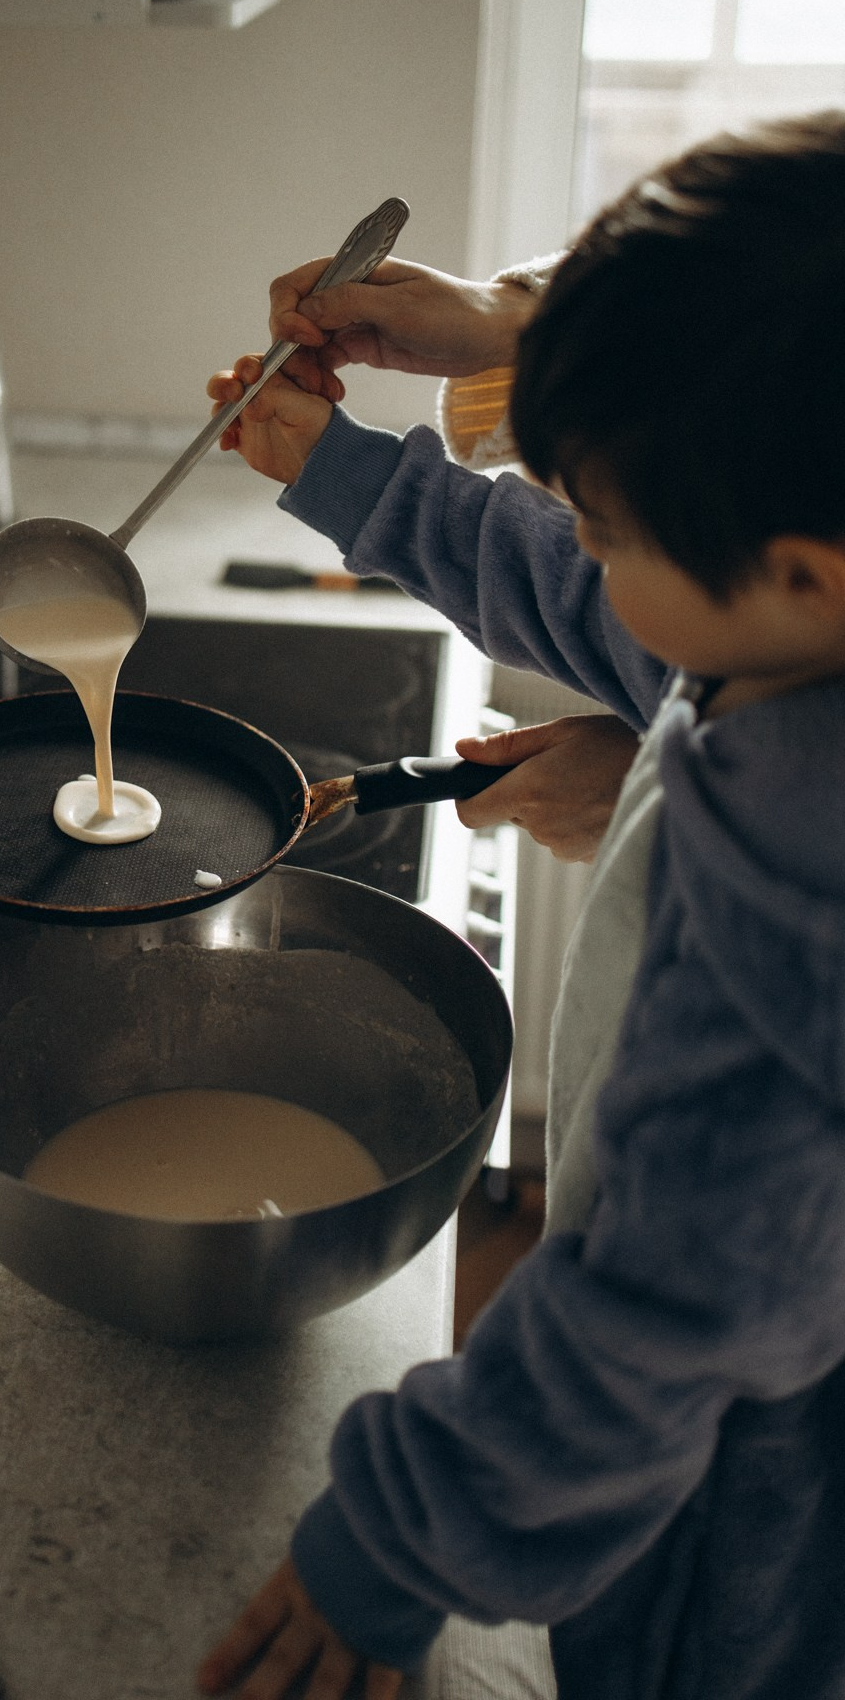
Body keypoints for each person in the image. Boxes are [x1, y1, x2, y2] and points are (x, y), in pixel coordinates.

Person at [194, 113, 845, 1700]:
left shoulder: (799, 894)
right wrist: (359, 477)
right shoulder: (788, 638)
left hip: (737, 1511)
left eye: (610, 525)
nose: (586, 556)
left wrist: (402, 1542)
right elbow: (600, 603)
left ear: (808, 570)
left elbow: (664, 1313)